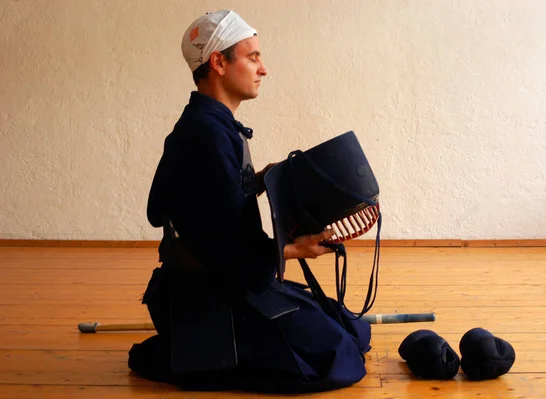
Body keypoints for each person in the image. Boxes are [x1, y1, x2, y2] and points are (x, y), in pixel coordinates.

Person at [127, 9, 372, 393]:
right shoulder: (204, 135)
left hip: (227, 277)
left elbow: (169, 205)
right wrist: (295, 249)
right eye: (253, 57)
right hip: (207, 296)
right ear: (219, 63)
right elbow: (226, 248)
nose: (263, 69)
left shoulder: (211, 125)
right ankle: (181, 355)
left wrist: (260, 181)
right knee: (337, 358)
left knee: (354, 330)